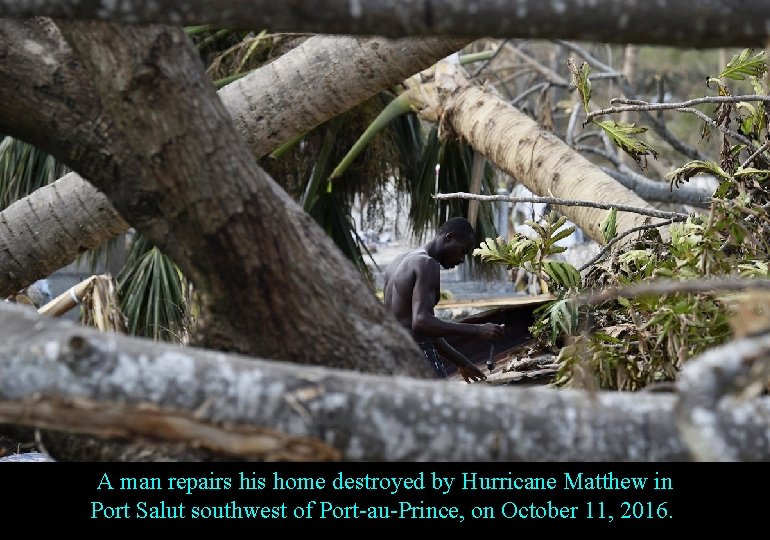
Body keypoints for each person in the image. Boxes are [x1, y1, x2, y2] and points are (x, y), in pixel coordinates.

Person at [383, 217, 506, 383]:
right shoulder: (427, 264)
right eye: (463, 251)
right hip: (418, 358)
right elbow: (421, 322)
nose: (462, 260)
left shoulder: (399, 261)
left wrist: (462, 363)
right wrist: (479, 330)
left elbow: (424, 330)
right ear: (449, 237)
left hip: (391, 358)